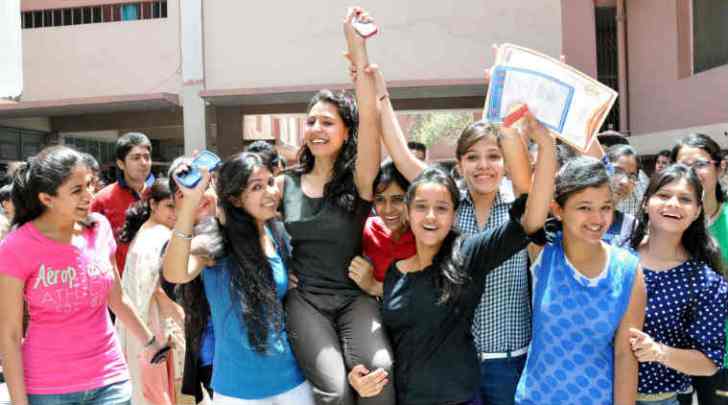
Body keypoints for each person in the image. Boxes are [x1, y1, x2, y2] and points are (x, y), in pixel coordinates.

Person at [278, 8, 393, 405]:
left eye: (328, 122)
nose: (317, 129)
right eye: (311, 121)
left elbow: (371, 121)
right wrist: (282, 270)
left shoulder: (359, 181)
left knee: (379, 374)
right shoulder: (284, 184)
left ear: (346, 133)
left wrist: (357, 51)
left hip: (354, 297)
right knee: (336, 389)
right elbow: (254, 231)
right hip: (305, 300)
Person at [0, 145, 166, 405]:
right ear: (47, 199)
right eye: (76, 190)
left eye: (89, 184)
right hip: (48, 388)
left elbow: (117, 298)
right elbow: (9, 333)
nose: (89, 195)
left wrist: (151, 341)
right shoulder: (17, 246)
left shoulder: (99, 228)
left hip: (110, 380)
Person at [163, 152, 315, 405]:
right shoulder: (214, 239)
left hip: (292, 381)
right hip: (236, 390)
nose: (270, 192)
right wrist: (190, 202)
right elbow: (175, 273)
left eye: (270, 182)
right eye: (257, 187)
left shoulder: (277, 232)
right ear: (234, 198)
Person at [514, 156, 646, 405]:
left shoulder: (628, 270)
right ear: (558, 210)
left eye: (605, 207)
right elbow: (525, 190)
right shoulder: (544, 253)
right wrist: (546, 146)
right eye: (584, 208)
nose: (597, 219)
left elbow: (625, 356)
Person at [628, 164, 728, 405]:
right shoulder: (617, 256)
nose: (673, 204)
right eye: (664, 195)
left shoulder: (705, 282)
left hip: (655, 400)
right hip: (595, 391)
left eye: (685, 199)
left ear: (696, 211)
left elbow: (709, 362)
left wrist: (658, 352)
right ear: (645, 203)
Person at [116, 178, 186, 405]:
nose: (175, 213)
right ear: (153, 204)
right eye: (169, 206)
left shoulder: (147, 231)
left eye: (178, 206)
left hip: (138, 325)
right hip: (155, 323)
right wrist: (179, 316)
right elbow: (153, 287)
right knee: (160, 393)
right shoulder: (161, 235)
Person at [671, 133, 728, 405]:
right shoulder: (666, 223)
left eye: (700, 164)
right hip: (672, 352)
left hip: (723, 355)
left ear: (721, 168)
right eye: (683, 166)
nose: (692, 173)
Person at [348, 161, 415, 297]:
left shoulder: (424, 237)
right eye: (380, 200)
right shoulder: (366, 229)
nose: (388, 209)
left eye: (397, 199)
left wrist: (374, 286)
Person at [91, 132, 154, 276]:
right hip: (119, 281)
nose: (143, 163)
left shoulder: (161, 195)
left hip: (157, 281)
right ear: (121, 163)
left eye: (146, 157)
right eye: (136, 158)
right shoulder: (102, 200)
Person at [603, 145, 640, 247]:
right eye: (617, 171)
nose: (625, 181)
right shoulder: (573, 216)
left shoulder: (631, 226)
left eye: (632, 176)